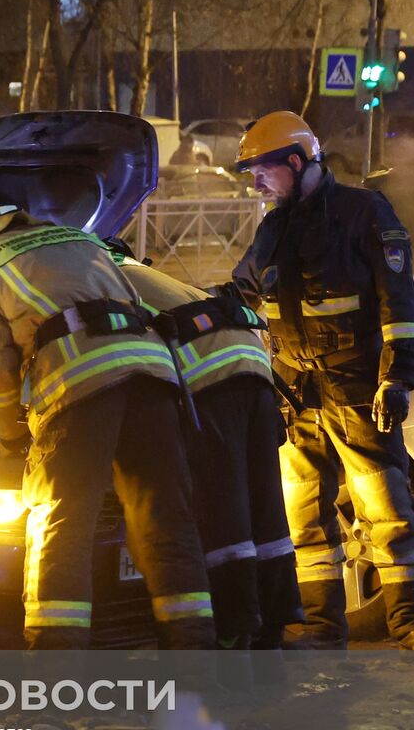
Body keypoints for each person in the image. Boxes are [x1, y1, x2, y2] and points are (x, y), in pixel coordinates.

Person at [0, 189, 214, 651]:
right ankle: (195, 663)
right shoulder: (83, 239)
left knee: (61, 523)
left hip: (79, 386)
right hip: (155, 378)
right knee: (166, 521)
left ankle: (56, 674)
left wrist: (11, 437)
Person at [230, 110, 414, 651]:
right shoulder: (275, 227)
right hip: (294, 391)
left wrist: (396, 378)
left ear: (295, 160)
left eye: (262, 170)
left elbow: (398, 302)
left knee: (387, 507)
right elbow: (244, 291)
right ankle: (321, 626)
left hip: (357, 385)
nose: (257, 183)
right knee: (304, 514)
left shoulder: (364, 213)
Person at [113, 250, 302, 654]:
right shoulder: (148, 275)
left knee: (222, 512)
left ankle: (233, 630)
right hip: (251, 363)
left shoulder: (97, 277)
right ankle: (274, 623)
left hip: (208, 376)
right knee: (265, 506)